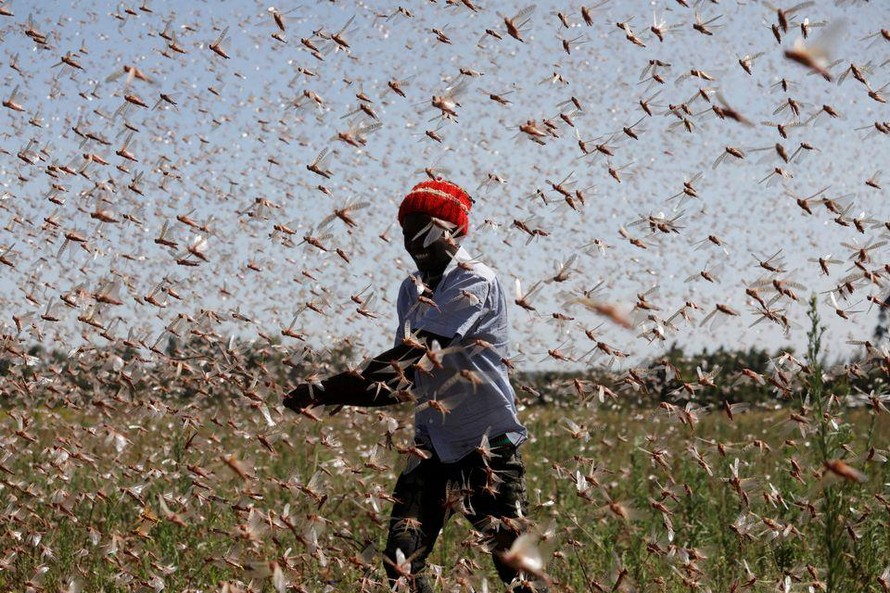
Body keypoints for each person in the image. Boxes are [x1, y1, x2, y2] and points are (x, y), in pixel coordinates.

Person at [284, 179, 545, 592]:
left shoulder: (475, 279)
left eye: (426, 228)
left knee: (517, 571)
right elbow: (400, 383)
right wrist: (328, 396)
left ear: (455, 231)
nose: (414, 240)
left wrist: (326, 390)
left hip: (489, 446)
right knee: (401, 562)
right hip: (431, 446)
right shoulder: (411, 289)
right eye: (407, 231)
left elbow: (415, 354)